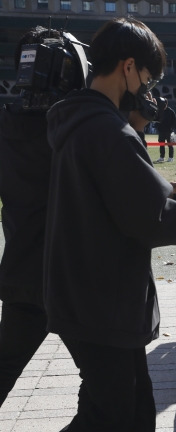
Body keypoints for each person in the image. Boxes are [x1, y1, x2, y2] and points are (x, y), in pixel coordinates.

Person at [44, 18, 176, 431]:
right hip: (104, 301)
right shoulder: (111, 131)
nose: (148, 90)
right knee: (114, 415)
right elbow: (153, 221)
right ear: (129, 66)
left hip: (81, 293)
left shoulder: (75, 120)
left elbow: (106, 194)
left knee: (129, 408)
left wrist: (155, 187)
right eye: (149, 79)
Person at [0, 26, 88, 407]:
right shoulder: (80, 125)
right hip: (72, 279)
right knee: (113, 382)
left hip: (22, 270)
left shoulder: (8, 124)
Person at [155, 97, 176, 162]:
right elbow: (156, 119)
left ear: (166, 103)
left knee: (170, 144)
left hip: (169, 131)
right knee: (161, 144)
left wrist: (171, 128)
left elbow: (174, 121)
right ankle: (162, 157)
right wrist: (158, 127)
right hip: (161, 130)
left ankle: (171, 157)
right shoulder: (159, 110)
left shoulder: (171, 111)